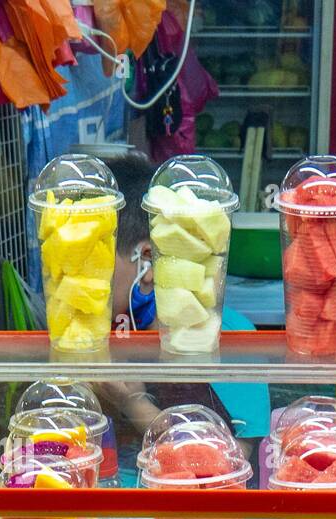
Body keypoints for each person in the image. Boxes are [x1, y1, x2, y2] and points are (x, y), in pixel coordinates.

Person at [104, 154, 271, 483]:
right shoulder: (101, 341)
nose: (88, 284)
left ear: (147, 262)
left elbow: (226, 467)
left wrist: (134, 403)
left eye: (100, 271)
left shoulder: (235, 337)